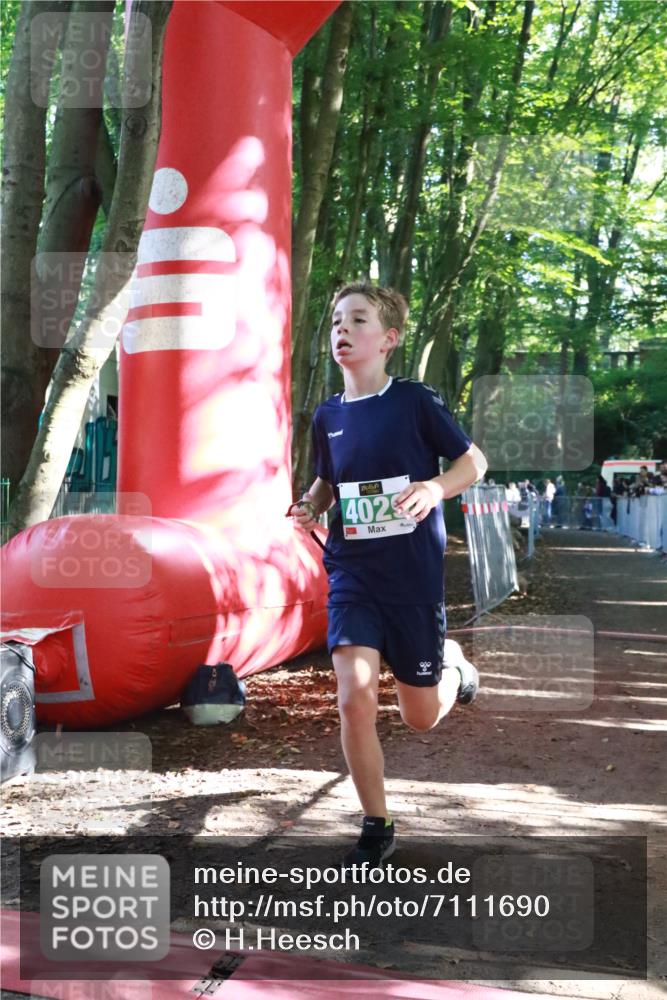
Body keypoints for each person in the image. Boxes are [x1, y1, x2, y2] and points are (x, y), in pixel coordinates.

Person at [290, 282, 487, 867]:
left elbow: (473, 462)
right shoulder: (327, 415)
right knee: (353, 695)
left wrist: (433, 486)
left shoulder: (415, 401)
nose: (341, 330)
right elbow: (329, 481)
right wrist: (310, 506)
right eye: (334, 321)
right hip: (354, 573)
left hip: (414, 579)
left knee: (419, 718)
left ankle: (451, 666)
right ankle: (376, 821)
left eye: (356, 320)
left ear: (389, 339)